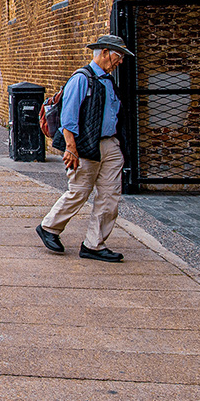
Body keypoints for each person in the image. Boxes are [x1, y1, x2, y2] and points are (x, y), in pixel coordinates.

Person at [35, 33, 135, 262]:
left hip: (109, 144)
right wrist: (71, 148)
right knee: (79, 191)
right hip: (84, 145)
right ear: (105, 52)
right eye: (118, 56)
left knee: (110, 196)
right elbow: (68, 118)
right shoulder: (82, 78)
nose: (120, 62)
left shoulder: (108, 81)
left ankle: (94, 244)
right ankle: (49, 227)